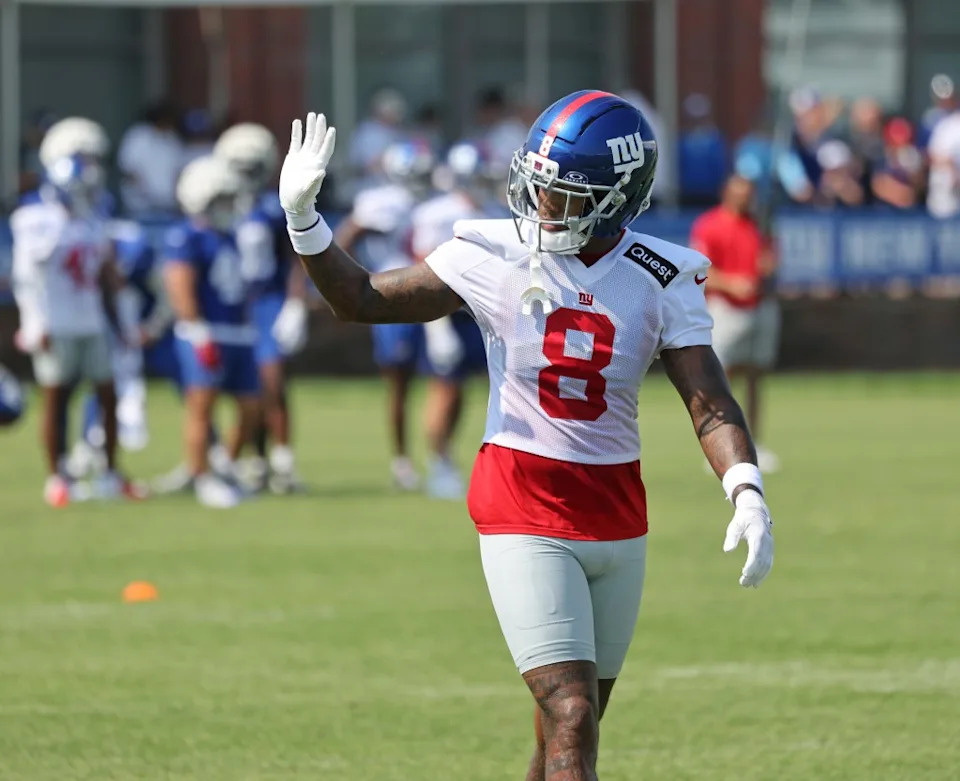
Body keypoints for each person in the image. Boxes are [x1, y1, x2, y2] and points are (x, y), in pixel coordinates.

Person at [279, 92, 775, 780]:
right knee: (571, 711)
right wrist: (304, 221)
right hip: (522, 496)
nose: (541, 205)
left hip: (618, 510)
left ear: (617, 198)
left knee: (563, 733)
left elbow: (708, 400)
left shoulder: (662, 274)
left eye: (564, 194)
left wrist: (746, 489)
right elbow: (360, 298)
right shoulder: (493, 252)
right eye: (537, 185)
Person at [10, 117, 138, 506]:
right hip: (57, 321)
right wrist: (34, 323)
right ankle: (57, 478)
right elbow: (25, 277)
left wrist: (122, 318)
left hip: (90, 318)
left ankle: (111, 473)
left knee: (108, 395)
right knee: (56, 398)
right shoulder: (33, 217)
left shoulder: (92, 216)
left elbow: (102, 274)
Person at [162, 155, 261, 508]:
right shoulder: (186, 236)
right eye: (221, 199)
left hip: (236, 331)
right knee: (202, 407)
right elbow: (179, 284)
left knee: (251, 406)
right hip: (204, 331)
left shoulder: (230, 235)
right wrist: (197, 328)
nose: (228, 206)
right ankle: (203, 477)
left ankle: (222, 466)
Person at [334, 140, 433, 491]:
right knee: (401, 384)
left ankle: (438, 459)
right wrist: (352, 283)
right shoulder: (383, 201)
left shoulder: (429, 201)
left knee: (444, 381)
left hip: (433, 296)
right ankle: (403, 461)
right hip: (396, 297)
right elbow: (347, 236)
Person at [215, 123, 308, 493]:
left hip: (267, 301)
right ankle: (254, 459)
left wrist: (295, 303)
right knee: (244, 388)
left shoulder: (271, 208)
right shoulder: (218, 202)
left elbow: (295, 258)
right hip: (234, 304)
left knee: (273, 380)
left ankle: (283, 460)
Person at [410, 141, 492, 499]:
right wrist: (436, 326)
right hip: (447, 314)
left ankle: (459, 459)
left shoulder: (494, 210)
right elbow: (425, 269)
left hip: (483, 313)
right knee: (445, 390)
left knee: (472, 393)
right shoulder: (438, 212)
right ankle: (438, 461)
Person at [690, 174, 780, 473]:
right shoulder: (709, 224)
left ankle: (755, 443)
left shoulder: (760, 225)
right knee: (719, 379)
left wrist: (768, 267)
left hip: (759, 306)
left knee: (755, 376)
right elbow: (700, 270)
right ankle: (719, 444)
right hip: (725, 308)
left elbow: (771, 262)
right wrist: (731, 283)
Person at [117, 100, 184, 220]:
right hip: (140, 208)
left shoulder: (172, 138)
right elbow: (130, 169)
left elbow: (178, 171)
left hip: (168, 208)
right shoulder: (138, 135)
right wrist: (148, 194)